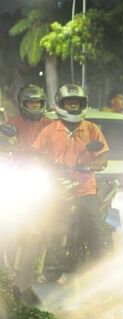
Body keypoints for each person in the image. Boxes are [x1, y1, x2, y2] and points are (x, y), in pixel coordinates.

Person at [33, 84, 110, 259]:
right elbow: (35, 152)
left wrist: (93, 165)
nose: (73, 106)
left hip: (83, 188)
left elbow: (103, 157)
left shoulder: (91, 129)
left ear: (83, 105)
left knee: (94, 224)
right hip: (53, 186)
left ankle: (99, 263)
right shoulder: (50, 129)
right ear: (61, 104)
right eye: (69, 103)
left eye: (76, 103)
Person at [5, 84, 53, 150]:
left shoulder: (50, 124)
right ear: (22, 103)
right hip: (20, 159)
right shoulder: (13, 123)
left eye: (37, 102)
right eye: (31, 102)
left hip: (45, 159)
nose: (35, 105)